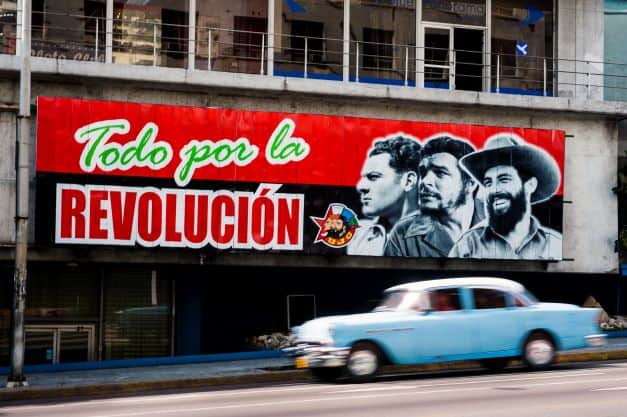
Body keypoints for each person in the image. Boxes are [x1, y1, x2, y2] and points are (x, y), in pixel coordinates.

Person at [449, 134, 563, 260]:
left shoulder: (554, 247)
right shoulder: (467, 246)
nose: (494, 190)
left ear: (530, 185)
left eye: (504, 180)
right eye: (488, 183)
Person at [384, 135, 483, 257]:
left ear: (470, 183)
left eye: (440, 173)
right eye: (423, 172)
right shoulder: (403, 234)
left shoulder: (502, 224)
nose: (425, 181)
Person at [347, 135, 421, 256]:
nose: (360, 186)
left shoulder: (439, 238)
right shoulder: (358, 235)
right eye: (363, 177)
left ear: (408, 181)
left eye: (374, 177)